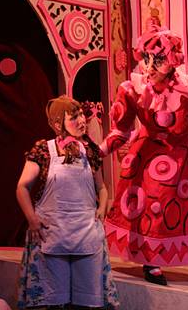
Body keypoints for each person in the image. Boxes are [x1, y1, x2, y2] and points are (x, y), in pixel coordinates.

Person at [99, 26, 188, 287]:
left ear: (172, 58)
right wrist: (97, 152)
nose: (151, 64)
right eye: (148, 57)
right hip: (152, 151)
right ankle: (152, 258)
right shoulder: (133, 89)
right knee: (154, 199)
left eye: (159, 58)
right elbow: (120, 130)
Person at [16, 96, 119, 309]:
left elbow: (102, 187)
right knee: (53, 301)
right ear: (57, 124)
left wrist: (101, 207)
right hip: (53, 234)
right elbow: (22, 187)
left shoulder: (89, 151)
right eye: (74, 117)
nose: (82, 120)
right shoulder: (44, 150)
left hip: (86, 234)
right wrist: (32, 219)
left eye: (81, 114)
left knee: (86, 302)